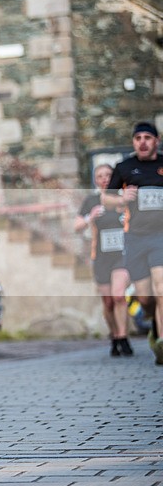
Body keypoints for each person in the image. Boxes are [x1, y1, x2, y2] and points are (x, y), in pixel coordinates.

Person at [102, 122, 163, 365]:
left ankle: (161, 344)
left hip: (160, 236)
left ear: (156, 141)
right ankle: (154, 322)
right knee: (145, 298)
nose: (143, 142)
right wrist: (121, 198)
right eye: (138, 138)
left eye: (148, 137)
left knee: (162, 289)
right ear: (134, 141)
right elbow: (105, 198)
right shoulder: (124, 167)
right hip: (135, 238)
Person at [74, 164, 132, 356]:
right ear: (96, 180)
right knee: (108, 303)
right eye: (100, 176)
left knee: (118, 296)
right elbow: (77, 226)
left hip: (122, 255)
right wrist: (90, 217)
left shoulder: (124, 199)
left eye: (109, 175)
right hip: (100, 258)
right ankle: (115, 335)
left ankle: (123, 337)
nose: (105, 179)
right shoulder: (91, 201)